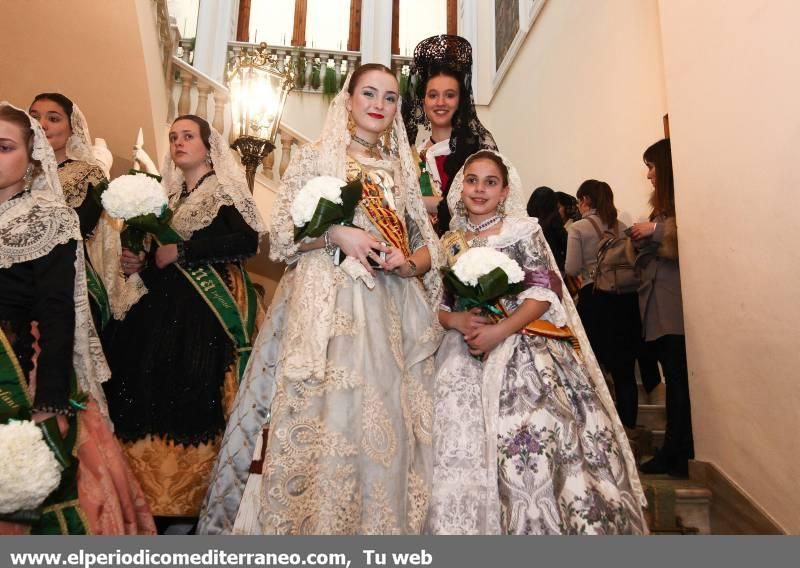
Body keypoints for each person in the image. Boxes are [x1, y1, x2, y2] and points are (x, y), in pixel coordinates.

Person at [198, 64, 443, 535]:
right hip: (324, 302)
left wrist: (408, 263)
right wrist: (337, 233)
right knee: (326, 410)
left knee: (383, 421)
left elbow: (427, 242)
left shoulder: (402, 169)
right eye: (369, 93)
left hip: (388, 306)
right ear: (347, 100)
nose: (378, 104)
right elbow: (283, 239)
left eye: (390, 98)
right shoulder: (314, 159)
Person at [428, 150, 647, 534]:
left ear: (505, 190)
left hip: (524, 348)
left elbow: (544, 292)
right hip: (461, 352)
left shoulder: (522, 231)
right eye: (472, 180)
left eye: (490, 182)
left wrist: (500, 330)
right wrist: (458, 319)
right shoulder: (450, 242)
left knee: (537, 431)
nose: (480, 189)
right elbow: (440, 305)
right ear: (460, 188)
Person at [102, 115, 266, 525]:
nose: (178, 143)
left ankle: (188, 503)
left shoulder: (224, 190)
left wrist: (185, 251)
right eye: (174, 137)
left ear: (209, 146)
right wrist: (137, 261)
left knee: (190, 391)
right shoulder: (169, 198)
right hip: (160, 312)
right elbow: (159, 256)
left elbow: (247, 240)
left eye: (187, 136)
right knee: (143, 388)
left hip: (202, 316)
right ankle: (148, 497)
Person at [0, 102, 154, 535]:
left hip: (17, 369)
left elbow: (55, 311)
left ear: (31, 157)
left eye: (4, 146)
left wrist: (49, 402)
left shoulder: (50, 218)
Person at [631, 138, 693, 478]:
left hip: (673, 308)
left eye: (652, 168)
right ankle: (675, 447)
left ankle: (677, 451)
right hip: (659, 306)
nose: (649, 176)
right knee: (675, 380)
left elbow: (688, 234)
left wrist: (654, 230)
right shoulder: (664, 208)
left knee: (679, 382)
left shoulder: (681, 204)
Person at [29, 93, 114, 330]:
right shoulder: (17, 169)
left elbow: (79, 227)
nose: (41, 124)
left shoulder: (89, 173)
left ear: (72, 128)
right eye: (34, 117)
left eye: (53, 119)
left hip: (63, 278)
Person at [564, 180, 644, 430]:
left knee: (594, 366)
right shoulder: (623, 227)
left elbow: (571, 268)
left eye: (579, 200)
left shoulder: (578, 228)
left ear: (585, 200)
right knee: (625, 371)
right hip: (627, 301)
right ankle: (629, 429)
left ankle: (602, 429)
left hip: (596, 300)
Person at [402, 34, 497, 235]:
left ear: (460, 100)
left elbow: (490, 204)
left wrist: (420, 202)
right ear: (423, 101)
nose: (440, 103)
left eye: (450, 95)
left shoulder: (479, 147)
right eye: (433, 95)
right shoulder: (415, 155)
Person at [527, 186, 567, 273]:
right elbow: (565, 243)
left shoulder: (530, 223)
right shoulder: (554, 218)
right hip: (556, 267)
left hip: (537, 270)